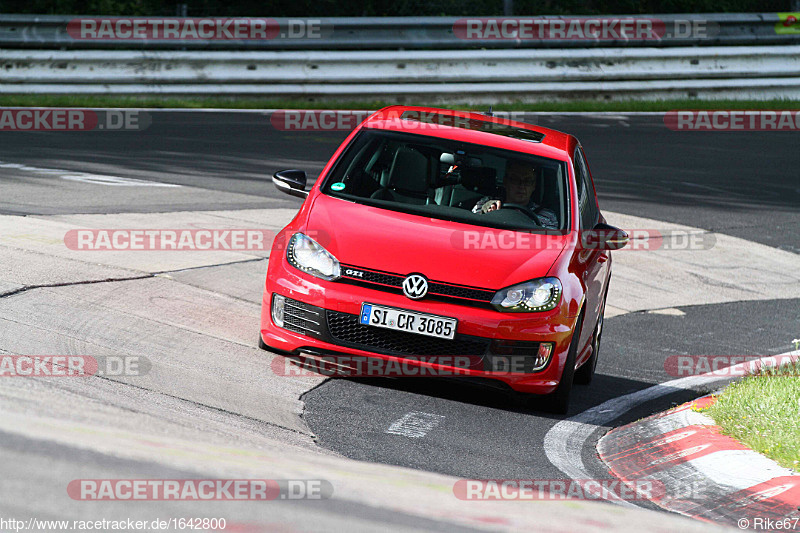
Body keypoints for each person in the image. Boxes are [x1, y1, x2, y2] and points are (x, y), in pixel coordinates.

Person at [472, 161, 559, 229]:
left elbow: (550, 246)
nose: (521, 185)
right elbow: (471, 231)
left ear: (533, 186)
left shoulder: (548, 216)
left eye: (527, 181)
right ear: (505, 182)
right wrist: (486, 213)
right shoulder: (486, 203)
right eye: (515, 179)